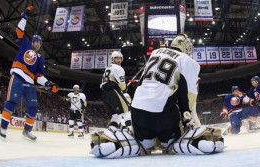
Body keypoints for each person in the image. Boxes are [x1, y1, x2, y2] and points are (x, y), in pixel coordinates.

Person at [90, 33, 224, 158]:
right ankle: (196, 143)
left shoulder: (155, 52)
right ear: (187, 48)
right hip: (163, 114)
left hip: (138, 111)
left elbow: (141, 83)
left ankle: (116, 144)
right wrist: (187, 119)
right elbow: (189, 96)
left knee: (144, 145)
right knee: (172, 143)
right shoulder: (188, 61)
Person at [0, 6, 58, 140]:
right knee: (11, 102)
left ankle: (26, 131)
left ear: (41, 45)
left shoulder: (40, 59)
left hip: (30, 84)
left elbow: (39, 76)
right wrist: (25, 16)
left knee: (33, 107)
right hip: (18, 78)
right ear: (32, 42)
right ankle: (3, 127)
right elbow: (19, 30)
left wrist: (49, 83)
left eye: (39, 42)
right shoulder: (24, 44)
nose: (36, 44)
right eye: (35, 41)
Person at [100, 51, 131, 130]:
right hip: (113, 92)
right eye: (116, 58)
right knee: (126, 111)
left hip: (105, 94)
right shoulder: (118, 68)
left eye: (120, 58)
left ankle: (111, 132)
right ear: (113, 59)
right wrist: (125, 87)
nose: (119, 60)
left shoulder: (108, 67)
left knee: (116, 116)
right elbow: (122, 86)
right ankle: (132, 131)